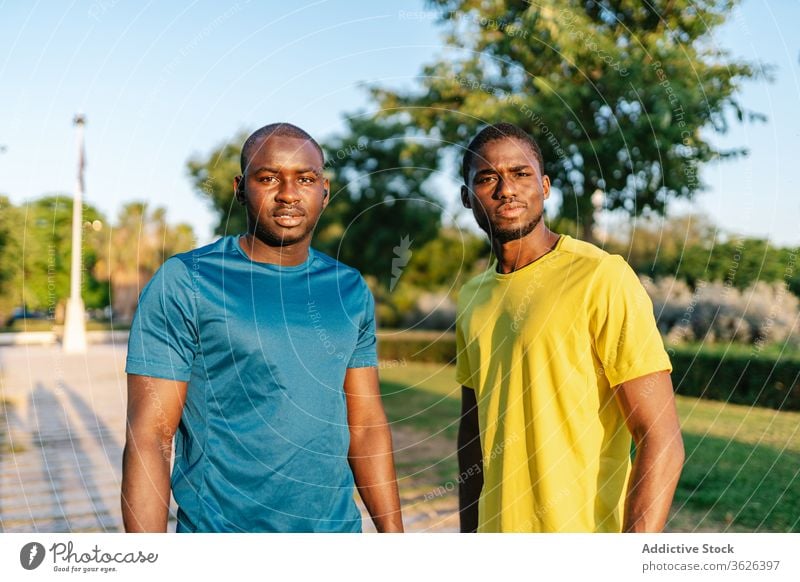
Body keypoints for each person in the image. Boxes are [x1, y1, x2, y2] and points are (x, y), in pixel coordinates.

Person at [122, 123, 403, 533]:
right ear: (240, 188)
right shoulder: (187, 281)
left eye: (305, 179)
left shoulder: (349, 288)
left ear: (324, 192)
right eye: (269, 177)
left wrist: (397, 543)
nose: (288, 193)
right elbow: (151, 436)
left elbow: (366, 428)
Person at [456, 122, 684, 533]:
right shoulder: (472, 297)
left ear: (544, 186)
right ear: (467, 197)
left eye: (520, 174)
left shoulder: (601, 277)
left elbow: (661, 438)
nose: (506, 189)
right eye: (487, 178)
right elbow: (471, 433)